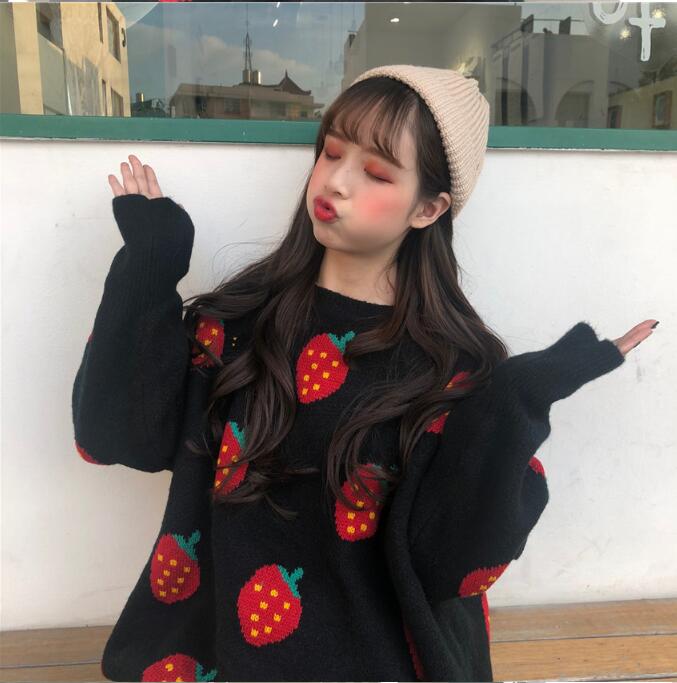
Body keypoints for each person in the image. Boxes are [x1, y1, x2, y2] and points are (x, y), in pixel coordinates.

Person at [74, 65, 657, 682]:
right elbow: (117, 436)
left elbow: (451, 567)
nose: (336, 181)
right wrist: (150, 266)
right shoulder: (238, 325)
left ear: (429, 208)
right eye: (330, 152)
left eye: (376, 172)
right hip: (218, 662)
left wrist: (511, 405)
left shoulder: (452, 374)